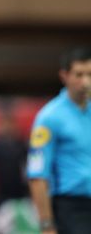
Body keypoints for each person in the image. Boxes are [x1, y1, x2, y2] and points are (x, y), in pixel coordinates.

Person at [26, 47, 91, 234]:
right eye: (79, 75)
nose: (85, 81)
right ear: (65, 76)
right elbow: (37, 174)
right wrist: (47, 224)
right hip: (71, 208)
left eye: (89, 74)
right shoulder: (49, 118)